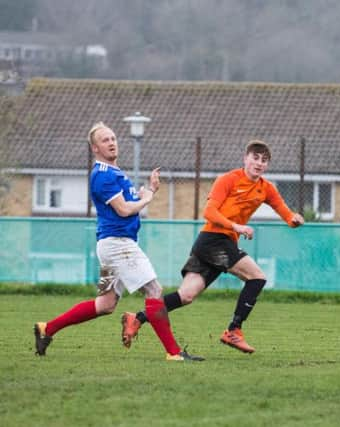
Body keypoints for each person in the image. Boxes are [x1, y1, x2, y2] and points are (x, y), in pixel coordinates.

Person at [33, 122, 204, 362]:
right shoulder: (103, 175)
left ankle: (46, 328)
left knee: (105, 304)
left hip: (113, 245)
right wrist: (147, 199)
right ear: (95, 148)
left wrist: (150, 192)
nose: (112, 142)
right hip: (119, 245)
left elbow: (131, 204)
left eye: (113, 138)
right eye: (105, 140)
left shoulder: (115, 172)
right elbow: (124, 210)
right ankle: (174, 353)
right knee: (154, 290)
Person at [120, 140, 304, 353]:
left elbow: (283, 210)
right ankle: (233, 330)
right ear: (245, 158)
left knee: (185, 296)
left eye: (264, 160)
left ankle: (137, 318)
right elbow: (209, 212)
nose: (259, 163)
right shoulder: (228, 179)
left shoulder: (266, 188)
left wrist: (293, 219)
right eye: (255, 158)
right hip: (214, 239)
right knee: (257, 278)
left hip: (215, 244)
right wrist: (236, 226)